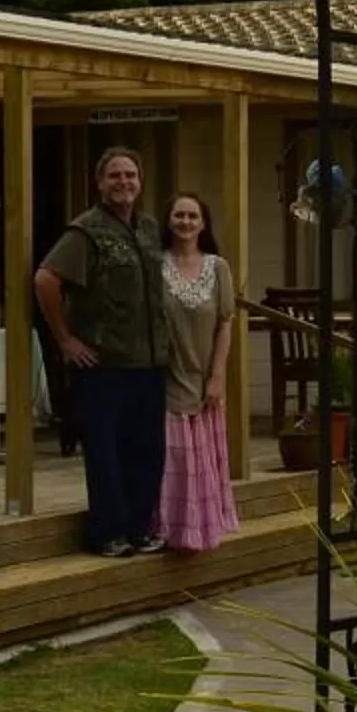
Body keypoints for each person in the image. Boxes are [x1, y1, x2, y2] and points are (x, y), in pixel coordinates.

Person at [33, 147, 169, 556]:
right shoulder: (85, 231)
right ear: (100, 183)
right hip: (104, 363)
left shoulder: (148, 229)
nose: (123, 182)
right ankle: (108, 532)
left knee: (147, 450)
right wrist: (65, 339)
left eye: (130, 175)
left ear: (140, 182)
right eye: (115, 175)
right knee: (106, 451)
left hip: (149, 361)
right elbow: (45, 280)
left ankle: (140, 527)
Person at [152, 192, 241, 554]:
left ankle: (200, 528)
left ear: (203, 223)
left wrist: (218, 374)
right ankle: (167, 527)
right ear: (169, 221)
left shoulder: (217, 267)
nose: (185, 222)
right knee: (173, 454)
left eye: (192, 216)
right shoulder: (156, 265)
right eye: (179, 215)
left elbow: (225, 322)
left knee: (199, 456)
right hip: (166, 374)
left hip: (203, 375)